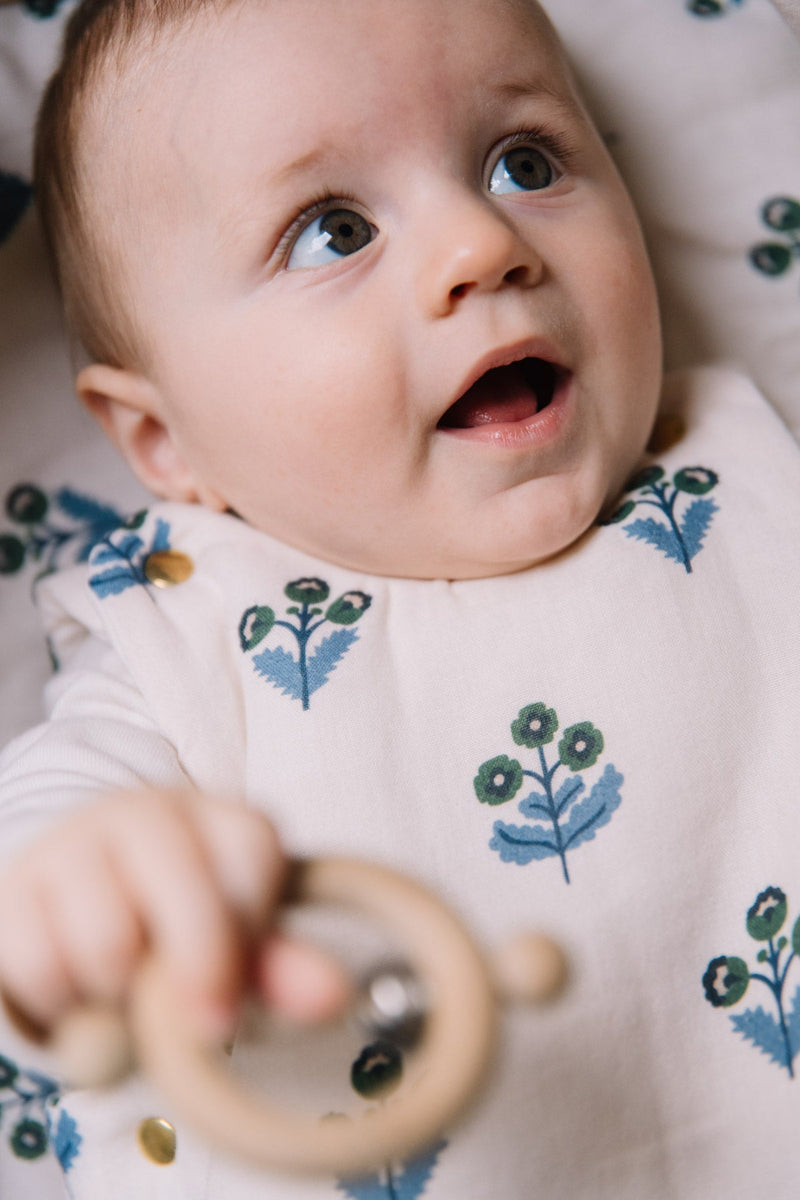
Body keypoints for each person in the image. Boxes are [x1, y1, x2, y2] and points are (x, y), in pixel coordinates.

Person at [0, 0, 799, 1195]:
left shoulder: (745, 471)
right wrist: (83, 881)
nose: (480, 245)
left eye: (522, 163)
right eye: (331, 232)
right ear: (165, 441)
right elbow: (43, 836)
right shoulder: (182, 627)